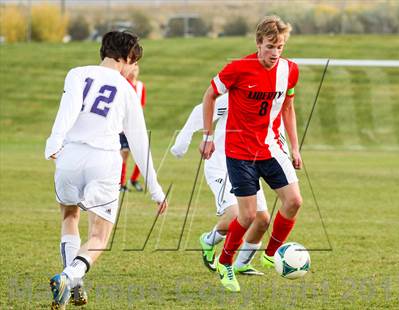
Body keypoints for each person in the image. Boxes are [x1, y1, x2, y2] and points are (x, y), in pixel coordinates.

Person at [45, 30, 168, 309]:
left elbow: (68, 108)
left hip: (70, 155)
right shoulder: (127, 90)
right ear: (125, 57)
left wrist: (53, 141)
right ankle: (69, 276)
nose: (132, 67)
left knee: (69, 215)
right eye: (132, 60)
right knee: (99, 236)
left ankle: (72, 288)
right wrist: (156, 189)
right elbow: (140, 142)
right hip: (103, 159)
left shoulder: (76, 73)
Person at [199, 16, 302, 292]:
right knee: (247, 217)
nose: (275, 53)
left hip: (270, 148)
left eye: (279, 47)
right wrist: (208, 136)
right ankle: (225, 262)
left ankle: (272, 256)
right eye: (270, 46)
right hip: (239, 151)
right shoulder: (238, 69)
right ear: (258, 43)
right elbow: (209, 95)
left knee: (293, 201)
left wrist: (294, 147)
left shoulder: (290, 71)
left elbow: (288, 108)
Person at [172, 93, 289, 276]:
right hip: (221, 166)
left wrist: (285, 153)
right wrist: (182, 143)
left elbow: (276, 130)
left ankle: (241, 264)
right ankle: (209, 241)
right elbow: (200, 111)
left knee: (262, 220)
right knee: (236, 214)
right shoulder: (236, 97)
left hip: (247, 167)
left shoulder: (270, 100)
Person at [119, 63, 146, 192]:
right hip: (124, 126)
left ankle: (134, 179)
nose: (134, 70)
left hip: (136, 126)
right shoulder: (124, 84)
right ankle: (121, 183)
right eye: (133, 68)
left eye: (137, 68)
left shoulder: (141, 86)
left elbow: (142, 106)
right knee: (124, 153)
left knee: (142, 153)